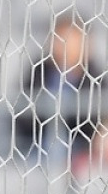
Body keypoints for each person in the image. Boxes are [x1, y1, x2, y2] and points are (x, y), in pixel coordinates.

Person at [10, 14, 106, 170]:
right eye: (62, 39)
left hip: (81, 151)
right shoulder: (38, 73)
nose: (66, 46)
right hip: (38, 149)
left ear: (86, 45)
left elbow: (99, 122)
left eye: (74, 41)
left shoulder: (97, 78)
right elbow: (21, 115)